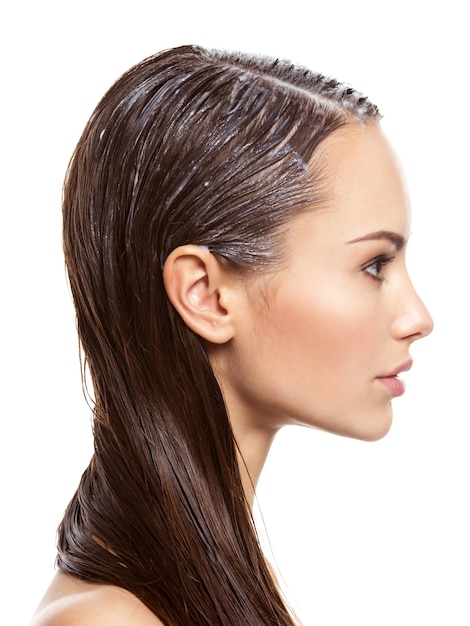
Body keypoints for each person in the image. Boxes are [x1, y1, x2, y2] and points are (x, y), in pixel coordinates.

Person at [31, 44, 433, 626]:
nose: (418, 317)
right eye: (375, 265)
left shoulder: (216, 579)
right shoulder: (110, 620)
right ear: (206, 295)